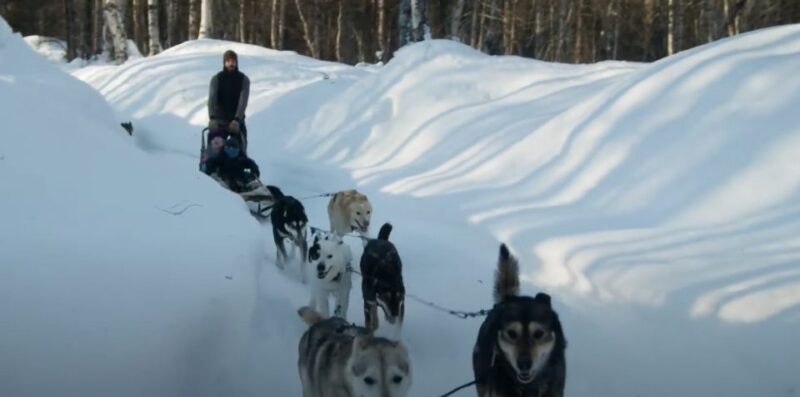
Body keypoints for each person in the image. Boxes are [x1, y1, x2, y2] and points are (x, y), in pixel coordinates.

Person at [208, 50, 250, 149]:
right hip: (219, 122)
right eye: (228, 61)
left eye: (233, 61)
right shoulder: (216, 79)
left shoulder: (243, 79)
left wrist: (237, 119)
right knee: (214, 152)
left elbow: (243, 101)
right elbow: (212, 99)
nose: (231, 63)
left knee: (239, 153)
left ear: (236, 62)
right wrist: (212, 118)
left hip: (237, 123)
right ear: (224, 62)